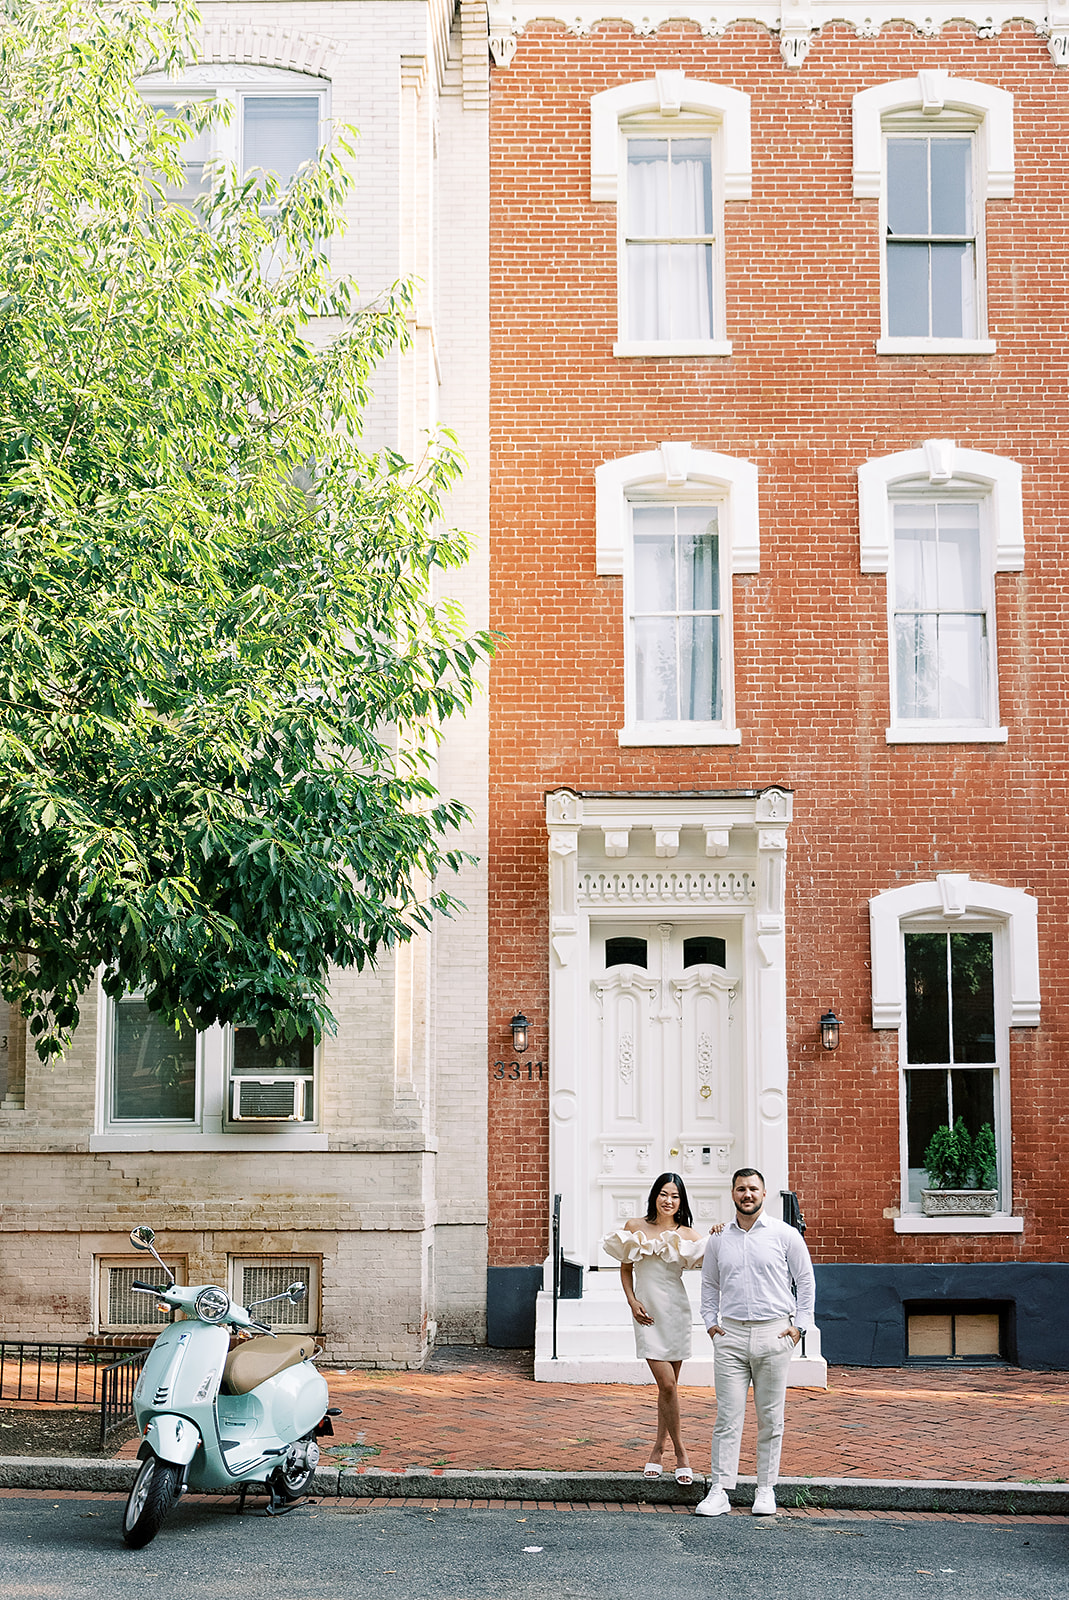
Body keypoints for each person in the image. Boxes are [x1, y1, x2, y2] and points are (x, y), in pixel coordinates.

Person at [694, 1166, 815, 1519]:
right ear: (733, 1194)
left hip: (774, 1333)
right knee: (728, 1417)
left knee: (770, 1418)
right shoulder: (719, 1237)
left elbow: (805, 1281)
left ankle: (766, 1488)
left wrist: (800, 1328)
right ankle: (721, 1489)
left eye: (753, 1189)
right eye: (741, 1189)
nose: (747, 1194)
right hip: (730, 1336)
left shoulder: (785, 1234)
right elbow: (709, 1284)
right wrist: (711, 1325)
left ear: (764, 1194)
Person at [602, 1172, 705, 1484]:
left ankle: (658, 1449)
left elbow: (717, 1262)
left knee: (667, 1389)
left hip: (676, 1312)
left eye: (674, 1196)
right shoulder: (635, 1227)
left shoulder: (688, 1235)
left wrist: (718, 1233)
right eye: (663, 1194)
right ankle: (682, 1453)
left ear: (681, 1201)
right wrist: (632, 1302)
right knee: (668, 1386)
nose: (668, 1201)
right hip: (647, 1314)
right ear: (654, 1196)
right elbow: (625, 1270)